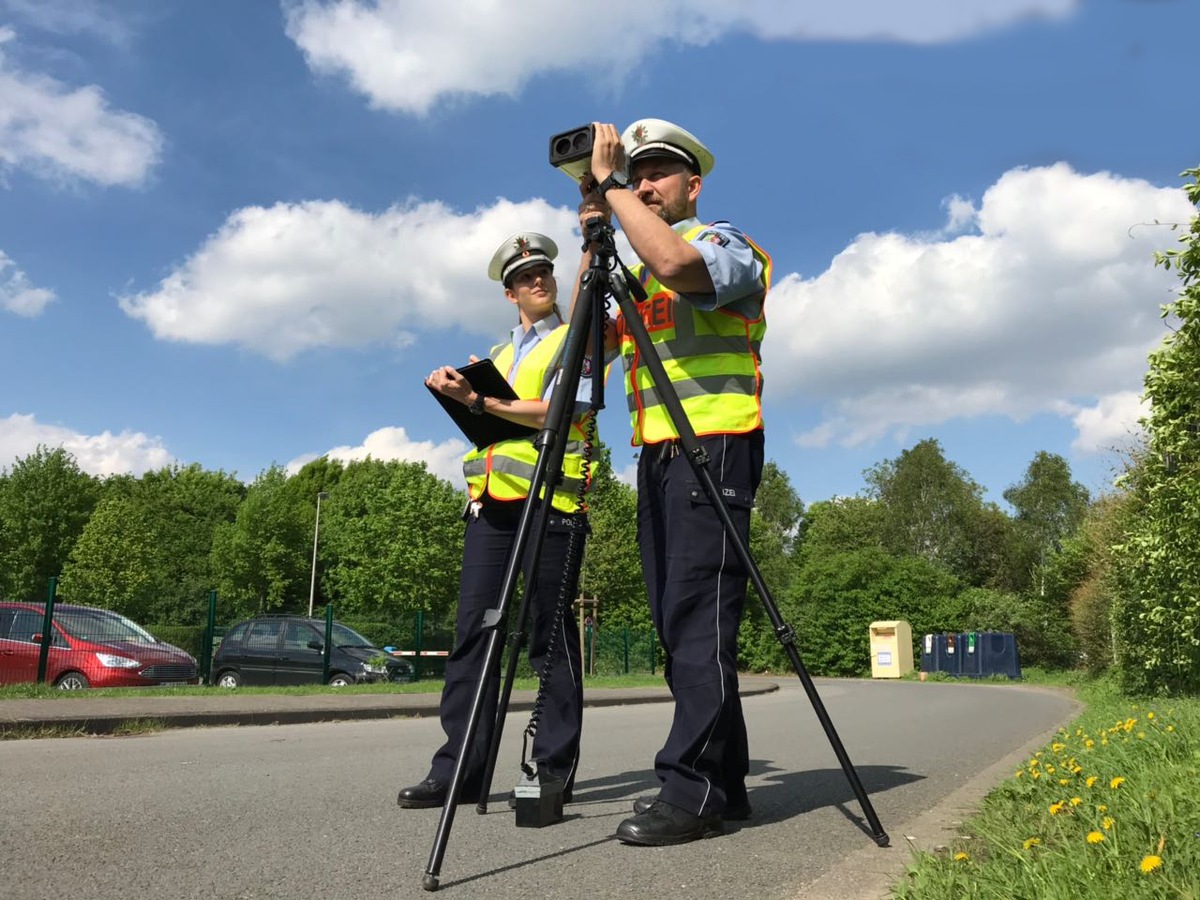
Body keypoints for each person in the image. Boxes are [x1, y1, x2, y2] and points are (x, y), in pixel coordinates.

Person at [578, 119, 772, 846]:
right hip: (660, 455)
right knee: (678, 624)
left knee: (696, 621)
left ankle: (690, 792)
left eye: (658, 172)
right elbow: (589, 349)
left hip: (715, 447)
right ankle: (726, 787)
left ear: (693, 185)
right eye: (638, 170)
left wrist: (617, 189)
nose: (647, 182)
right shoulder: (636, 258)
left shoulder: (726, 245)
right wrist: (594, 235)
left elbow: (677, 268)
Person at [396, 232, 594, 809]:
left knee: (549, 639)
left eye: (544, 272)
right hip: (490, 506)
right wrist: (460, 392)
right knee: (472, 636)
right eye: (525, 276)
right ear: (509, 293)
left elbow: (557, 411)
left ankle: (552, 771)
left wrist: (479, 402)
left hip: (551, 502)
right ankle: (461, 770)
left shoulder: (572, 340)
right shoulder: (498, 357)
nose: (538, 280)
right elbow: (494, 421)